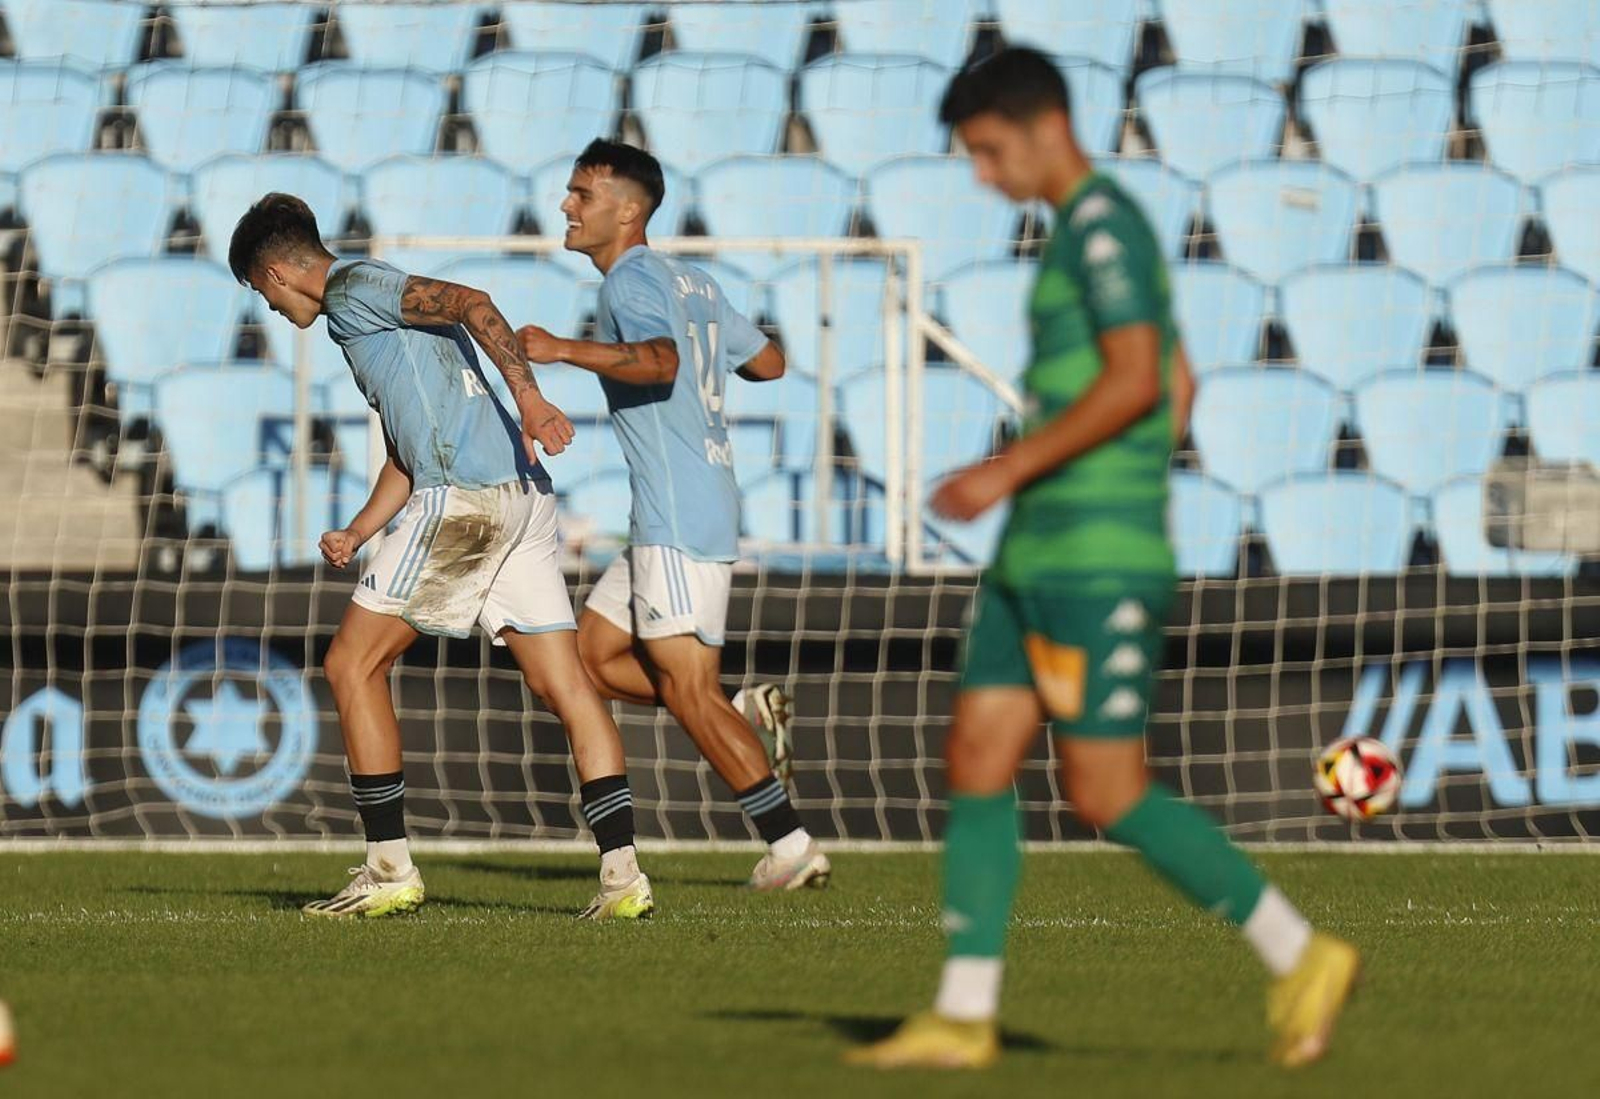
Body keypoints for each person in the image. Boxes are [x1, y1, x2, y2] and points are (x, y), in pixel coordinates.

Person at [848, 47, 1358, 1070]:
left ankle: (1300, 950)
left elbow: (1137, 382)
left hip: (1090, 557)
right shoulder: (1080, 232)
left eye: (989, 151)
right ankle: (962, 1012)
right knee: (977, 755)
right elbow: (1179, 381)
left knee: (1105, 790)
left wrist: (1018, 471)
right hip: (1037, 550)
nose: (981, 174)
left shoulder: (1104, 226)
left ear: (1046, 127)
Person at [229, 193, 653, 921]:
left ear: (274, 274)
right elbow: (409, 450)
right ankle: (623, 876)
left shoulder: (354, 290)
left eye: (260, 293)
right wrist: (359, 530)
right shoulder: (372, 322)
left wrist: (530, 399)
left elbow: (471, 301)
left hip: (466, 500)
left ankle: (388, 868)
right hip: (522, 499)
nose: (269, 308)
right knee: (565, 685)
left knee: (351, 665)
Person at [518, 140, 829, 890]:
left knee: (689, 690)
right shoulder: (692, 280)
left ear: (628, 210)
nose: (566, 205)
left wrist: (562, 349)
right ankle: (742, 711)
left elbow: (660, 361)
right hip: (682, 504)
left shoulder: (630, 282)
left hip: (680, 511)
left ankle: (790, 844)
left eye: (582, 194)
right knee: (592, 658)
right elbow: (771, 363)